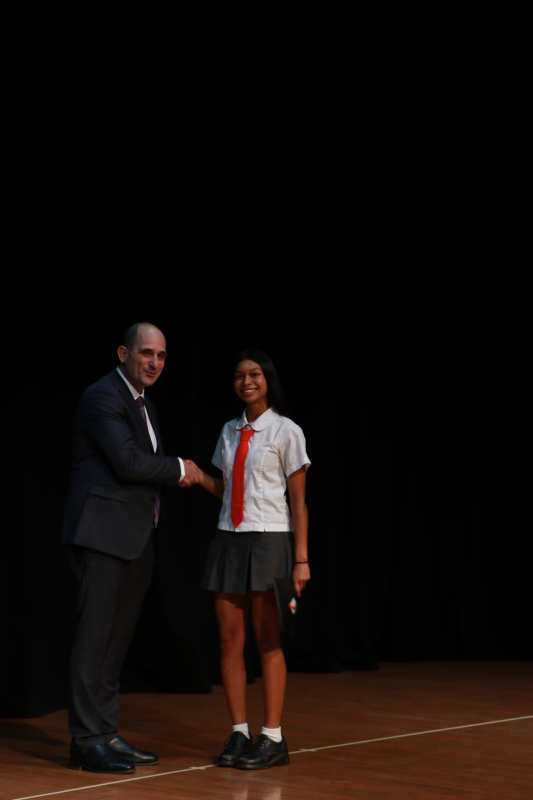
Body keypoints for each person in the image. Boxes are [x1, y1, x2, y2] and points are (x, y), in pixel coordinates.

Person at [61, 322, 198, 774]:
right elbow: (126, 461)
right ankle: (86, 740)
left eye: (161, 355)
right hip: (101, 537)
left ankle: (106, 732)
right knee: (93, 641)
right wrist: (180, 468)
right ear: (124, 353)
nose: (154, 362)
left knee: (115, 643)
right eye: (146, 353)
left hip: (135, 537)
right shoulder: (102, 396)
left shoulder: (145, 405)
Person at [190, 348, 311, 770]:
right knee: (229, 639)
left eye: (254, 374)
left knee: (268, 639)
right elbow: (229, 491)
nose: (247, 382)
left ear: (267, 379)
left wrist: (301, 559)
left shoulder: (286, 431)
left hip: (271, 540)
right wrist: (199, 477)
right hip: (229, 539)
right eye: (240, 375)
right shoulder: (228, 430)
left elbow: (299, 503)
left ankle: (273, 737)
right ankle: (239, 732)